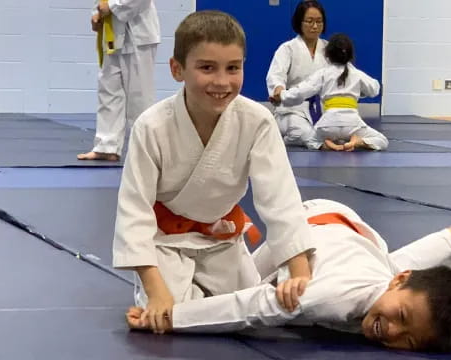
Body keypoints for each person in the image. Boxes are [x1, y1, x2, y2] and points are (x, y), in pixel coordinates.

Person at [113, 10, 315, 335]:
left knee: (261, 306)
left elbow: (280, 200)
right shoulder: (150, 127)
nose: (222, 82)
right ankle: (171, 294)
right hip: (165, 242)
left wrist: (300, 274)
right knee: (171, 314)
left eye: (233, 68)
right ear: (177, 69)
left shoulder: (257, 122)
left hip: (222, 241)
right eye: (207, 68)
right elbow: (134, 210)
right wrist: (155, 289)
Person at [126, 199, 451, 353]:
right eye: (401, 317)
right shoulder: (333, 298)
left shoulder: (395, 278)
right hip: (304, 227)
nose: (392, 331)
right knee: (238, 292)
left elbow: (445, 243)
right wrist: (170, 317)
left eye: (409, 341)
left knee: (431, 263)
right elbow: (254, 307)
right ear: (400, 281)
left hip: (360, 241)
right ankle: (211, 237)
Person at [271, 33, 388, 151]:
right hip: (353, 124)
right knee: (382, 140)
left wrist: (282, 96)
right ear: (350, 55)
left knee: (310, 139)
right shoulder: (356, 74)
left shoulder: (323, 74)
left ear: (327, 55)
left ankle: (327, 144)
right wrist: (361, 91)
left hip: (327, 125)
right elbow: (374, 89)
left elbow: (301, 92)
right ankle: (357, 142)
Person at [77, 0, 160, 161]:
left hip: (138, 34)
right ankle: (107, 146)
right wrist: (96, 13)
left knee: (139, 95)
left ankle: (146, 150)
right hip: (111, 32)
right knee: (108, 89)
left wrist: (113, 7)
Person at [266, 0, 328, 149]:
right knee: (304, 133)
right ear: (299, 23)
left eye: (319, 22)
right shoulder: (287, 49)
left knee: (341, 131)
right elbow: (276, 75)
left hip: (322, 110)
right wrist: (279, 91)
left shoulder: (328, 48)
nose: (315, 26)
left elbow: (346, 72)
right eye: (309, 21)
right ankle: (287, 137)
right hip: (292, 110)